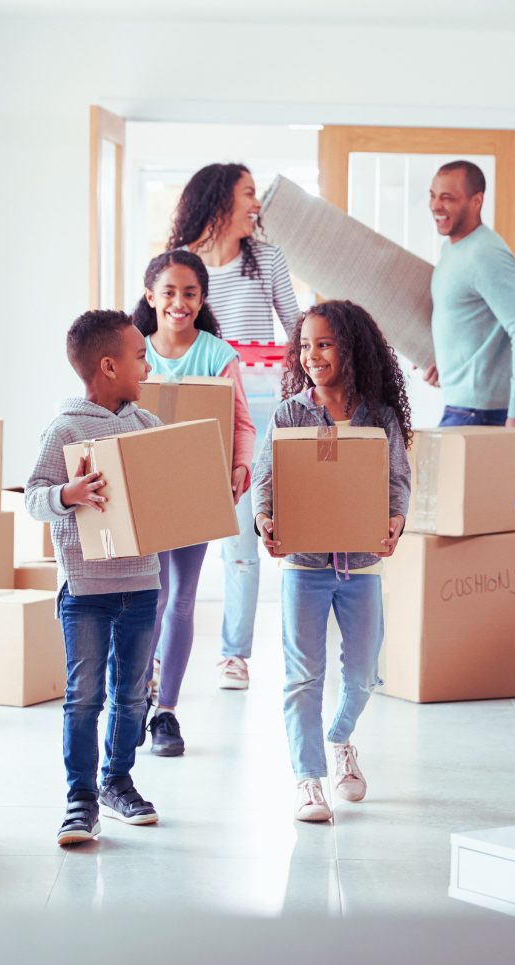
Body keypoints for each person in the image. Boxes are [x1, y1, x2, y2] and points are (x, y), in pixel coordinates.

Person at [251, 300, 411, 823]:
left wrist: (395, 520)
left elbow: (397, 484)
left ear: (352, 348)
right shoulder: (289, 414)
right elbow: (266, 479)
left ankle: (340, 738)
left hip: (361, 564)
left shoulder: (379, 417)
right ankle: (308, 779)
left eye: (324, 344)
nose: (311, 356)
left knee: (364, 675)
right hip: (303, 564)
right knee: (303, 677)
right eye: (304, 346)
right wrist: (264, 520)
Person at [25, 309, 161, 846]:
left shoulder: (147, 426)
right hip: (86, 591)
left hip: (143, 582)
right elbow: (34, 496)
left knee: (132, 695)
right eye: (139, 356)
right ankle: (80, 798)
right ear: (109, 366)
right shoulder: (66, 429)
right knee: (85, 695)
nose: (147, 364)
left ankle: (117, 782)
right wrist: (68, 495)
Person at [169, 162, 302, 691]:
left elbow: (297, 330)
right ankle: (160, 653)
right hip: (199, 406)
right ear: (220, 199)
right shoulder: (183, 269)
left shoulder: (266, 260)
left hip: (261, 406)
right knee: (176, 528)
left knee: (242, 534)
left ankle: (234, 655)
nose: (257, 204)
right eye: (248, 193)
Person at [132, 250, 256, 756]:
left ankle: (167, 713)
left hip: (197, 489)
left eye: (190, 293)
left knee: (181, 598)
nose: (179, 303)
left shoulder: (217, 355)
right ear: (150, 297)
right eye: (169, 292)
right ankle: (136, 698)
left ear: (202, 299)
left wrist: (239, 471)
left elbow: (242, 423)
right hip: (143, 490)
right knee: (149, 599)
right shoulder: (132, 349)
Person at [425, 160, 515, 434]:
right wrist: (448, 365)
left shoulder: (486, 254)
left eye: (447, 198)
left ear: (476, 201)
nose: (435, 206)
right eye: (432, 195)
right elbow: (473, 323)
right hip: (461, 406)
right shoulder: (451, 250)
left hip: (480, 414)